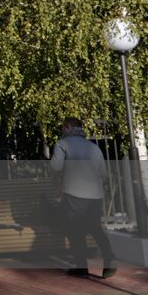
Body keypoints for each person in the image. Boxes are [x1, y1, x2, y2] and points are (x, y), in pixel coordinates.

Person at [51, 117, 116, 279]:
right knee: (95, 227)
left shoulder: (62, 144)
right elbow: (103, 174)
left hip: (74, 193)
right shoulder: (93, 147)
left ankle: (81, 267)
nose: (61, 130)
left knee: (75, 230)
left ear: (67, 127)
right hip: (95, 195)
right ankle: (109, 259)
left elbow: (55, 167)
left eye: (62, 127)